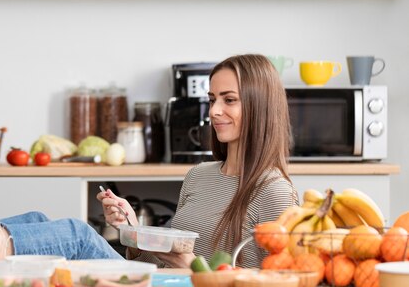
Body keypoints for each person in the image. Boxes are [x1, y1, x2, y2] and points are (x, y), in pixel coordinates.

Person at [97, 54, 298, 268]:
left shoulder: (275, 192)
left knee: (79, 236)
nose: (214, 111)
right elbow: (166, 268)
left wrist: (192, 266)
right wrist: (133, 231)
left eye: (229, 100)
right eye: (212, 100)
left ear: (260, 106)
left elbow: (279, 283)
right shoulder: (198, 175)